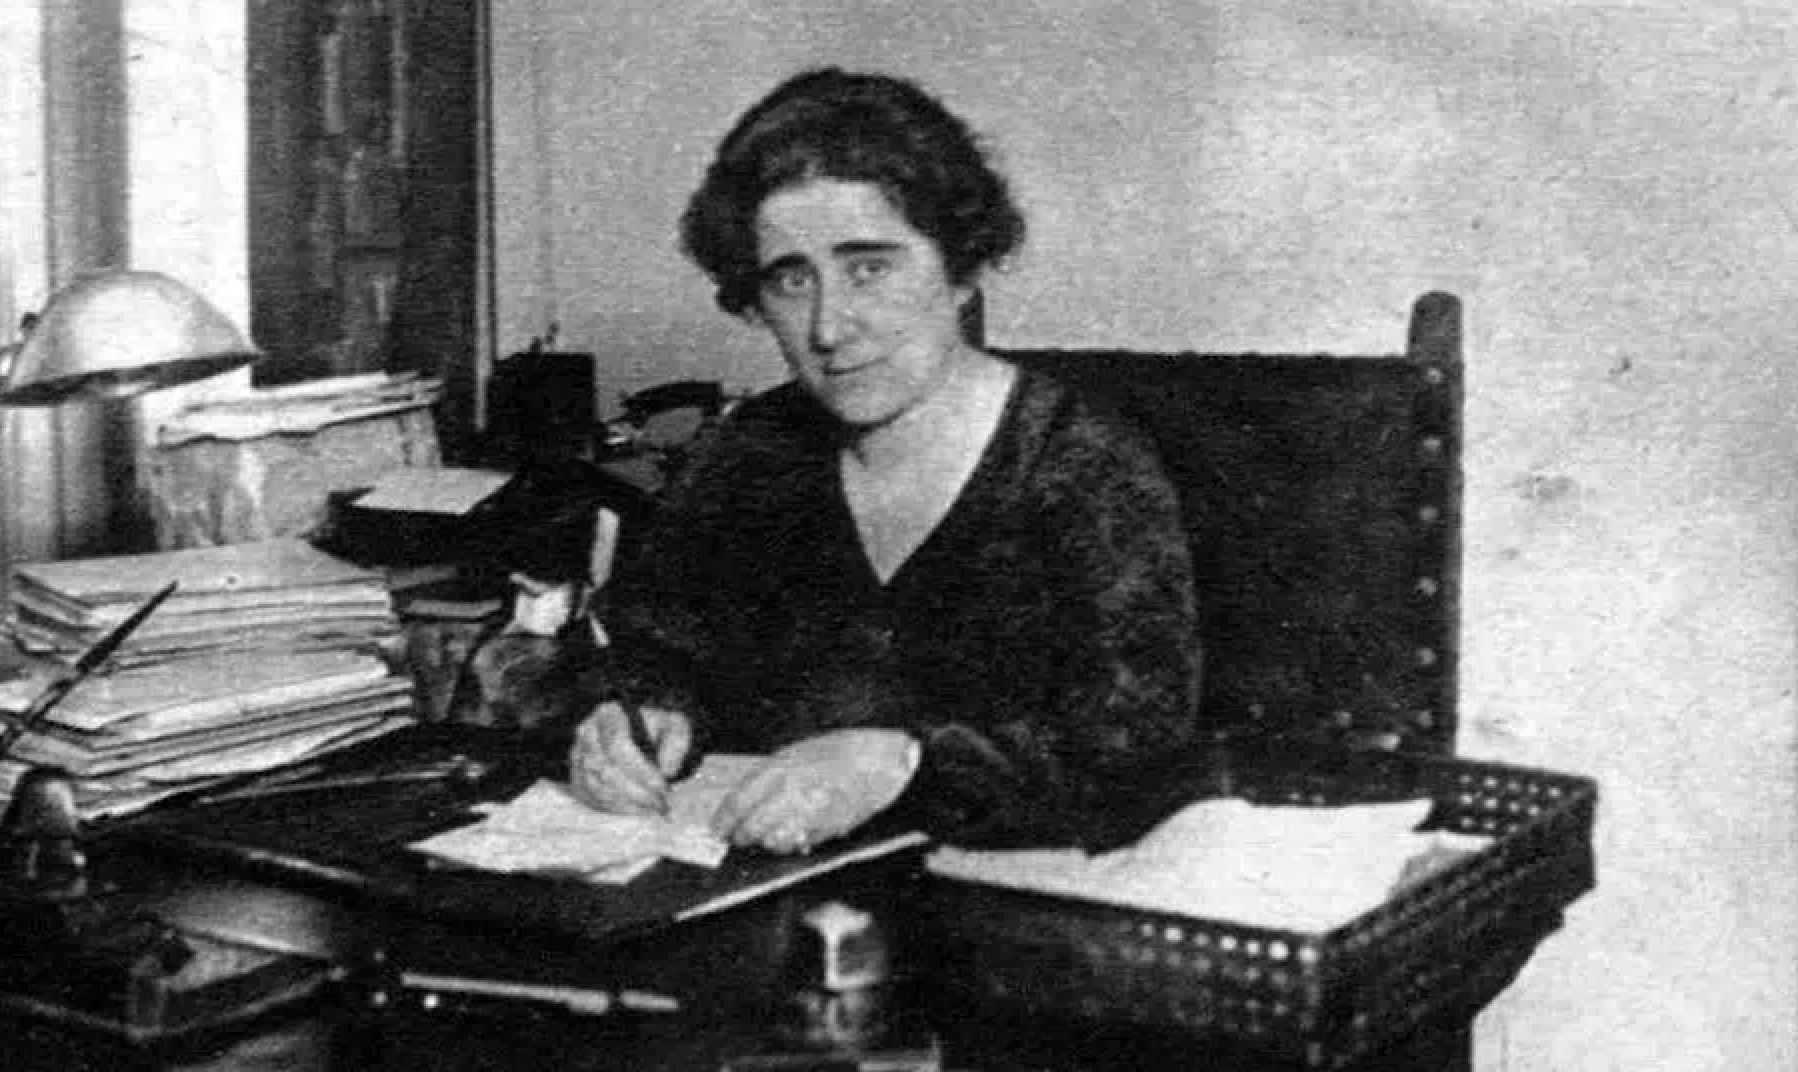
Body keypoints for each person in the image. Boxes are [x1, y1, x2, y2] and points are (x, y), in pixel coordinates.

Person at [568, 67, 1201, 853]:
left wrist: (906, 763)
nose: (829, 327)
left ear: (962, 271)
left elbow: (1138, 753)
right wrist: (638, 718)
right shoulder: (748, 452)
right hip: (764, 886)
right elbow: (653, 649)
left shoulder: (1079, 462)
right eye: (791, 279)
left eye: (869, 267)